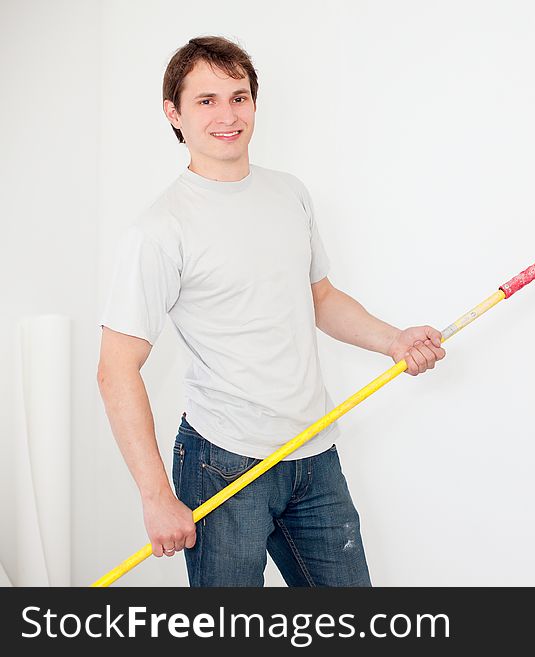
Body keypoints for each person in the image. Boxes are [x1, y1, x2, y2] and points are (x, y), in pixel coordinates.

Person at [96, 36, 445, 587]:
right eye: (206, 101)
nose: (228, 115)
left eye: (240, 97)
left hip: (314, 452)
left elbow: (320, 299)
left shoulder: (290, 195)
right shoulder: (160, 229)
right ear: (174, 113)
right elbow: (116, 367)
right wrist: (156, 496)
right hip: (222, 463)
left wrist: (395, 341)